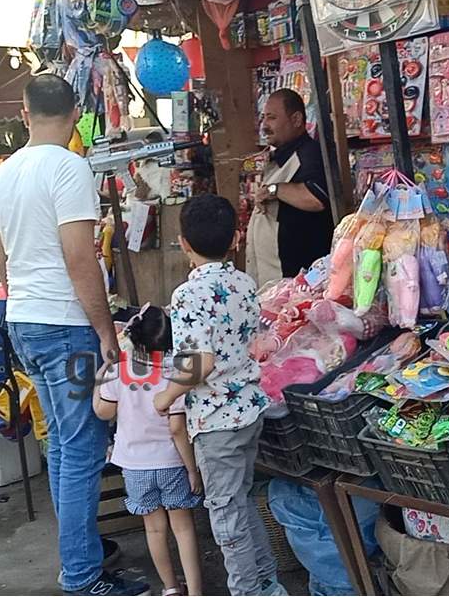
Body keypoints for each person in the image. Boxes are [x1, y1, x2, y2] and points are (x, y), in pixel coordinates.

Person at [0, 74, 146, 596]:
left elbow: (0, 259)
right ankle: (81, 574)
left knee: (61, 441)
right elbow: (80, 258)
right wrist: (105, 330)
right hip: (63, 325)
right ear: (76, 112)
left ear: (24, 113)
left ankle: (80, 551)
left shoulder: (5, 172)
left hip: (24, 319)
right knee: (82, 447)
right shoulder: (69, 167)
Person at [154, 195, 284, 597]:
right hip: (249, 410)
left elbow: (200, 363)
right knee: (240, 503)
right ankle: (267, 584)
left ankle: (248, 590)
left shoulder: (188, 295)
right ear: (235, 239)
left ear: (183, 243)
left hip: (216, 421)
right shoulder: (244, 283)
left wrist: (164, 398)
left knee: (226, 517)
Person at [93, 306, 203, 597]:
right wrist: (192, 470)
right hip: (171, 463)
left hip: (134, 466)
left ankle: (171, 587)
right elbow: (177, 429)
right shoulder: (176, 374)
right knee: (184, 529)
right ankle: (195, 592)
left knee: (154, 530)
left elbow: (103, 412)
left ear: (133, 336)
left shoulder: (118, 371)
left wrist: (99, 379)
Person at [247, 89, 334, 287]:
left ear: (296, 120)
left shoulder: (309, 154)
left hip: (298, 283)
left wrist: (274, 190)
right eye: (263, 118)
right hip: (275, 282)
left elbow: (317, 198)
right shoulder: (281, 157)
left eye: (272, 118)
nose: (265, 126)